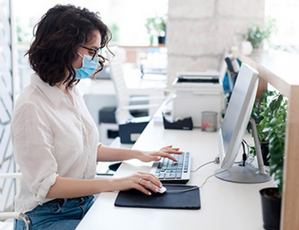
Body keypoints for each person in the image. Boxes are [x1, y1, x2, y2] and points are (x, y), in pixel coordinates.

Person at [11, 4, 182, 230]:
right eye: (91, 51)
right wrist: (116, 183)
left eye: (97, 51)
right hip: (48, 216)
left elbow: (89, 149)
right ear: (62, 46)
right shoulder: (31, 107)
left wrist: (140, 154)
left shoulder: (69, 89)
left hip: (84, 203)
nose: (96, 58)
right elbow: (47, 186)